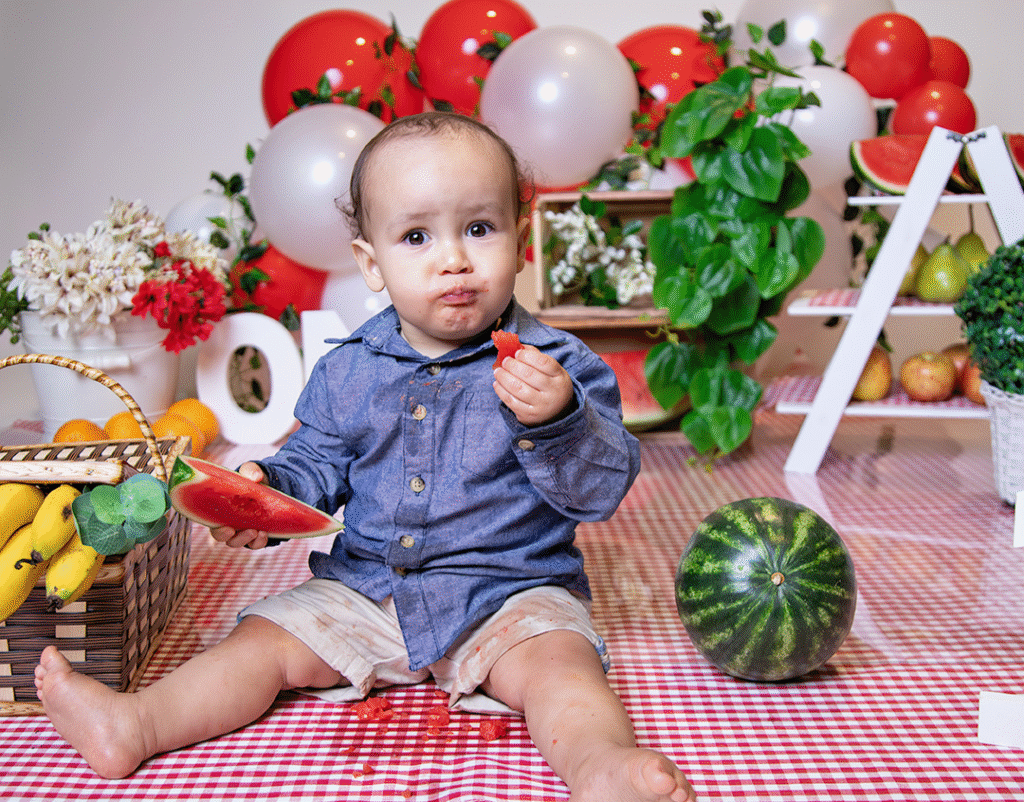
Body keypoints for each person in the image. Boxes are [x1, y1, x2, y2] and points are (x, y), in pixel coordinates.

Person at [35, 111, 696, 802]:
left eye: (479, 228)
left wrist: (561, 419)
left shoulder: (561, 367)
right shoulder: (347, 371)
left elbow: (600, 491)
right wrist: (266, 488)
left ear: (522, 242)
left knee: (563, 668)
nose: (454, 259)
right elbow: (313, 467)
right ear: (371, 263)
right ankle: (135, 724)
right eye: (416, 236)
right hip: (367, 586)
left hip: (511, 591)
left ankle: (601, 767)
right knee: (261, 644)